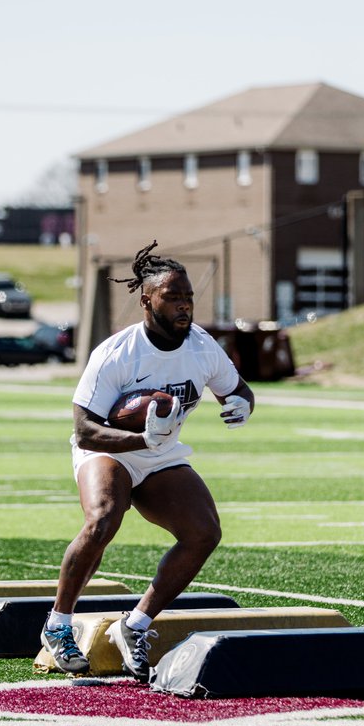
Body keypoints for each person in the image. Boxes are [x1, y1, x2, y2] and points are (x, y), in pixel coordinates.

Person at [41, 241, 255, 681]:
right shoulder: (116, 353)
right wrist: (138, 436)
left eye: (189, 297)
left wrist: (243, 405)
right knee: (103, 519)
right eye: (172, 297)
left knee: (203, 533)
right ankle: (58, 625)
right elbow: (85, 429)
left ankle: (134, 625)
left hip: (158, 454)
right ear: (146, 299)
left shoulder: (201, 346)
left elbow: (238, 388)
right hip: (108, 449)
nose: (184, 306)